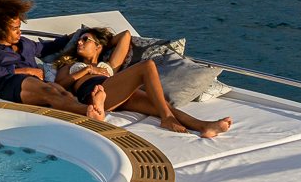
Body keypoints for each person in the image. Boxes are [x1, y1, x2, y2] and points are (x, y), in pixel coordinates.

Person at [52, 26, 233, 137]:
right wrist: (87, 70)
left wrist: (103, 43)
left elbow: (126, 36)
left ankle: (205, 126)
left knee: (162, 104)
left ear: (98, 46)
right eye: (79, 40)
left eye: (85, 40)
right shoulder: (71, 65)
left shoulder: (109, 65)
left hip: (117, 94)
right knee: (147, 66)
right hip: (93, 92)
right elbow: (59, 86)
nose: (79, 43)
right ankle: (166, 118)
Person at [0, 0, 96, 117]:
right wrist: (26, 70)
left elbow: (48, 47)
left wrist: (74, 36)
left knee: (62, 93)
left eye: (19, 27)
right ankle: (89, 112)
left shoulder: (25, 43)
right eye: (15, 29)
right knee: (49, 91)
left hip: (36, 82)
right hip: (11, 84)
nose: (19, 32)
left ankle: (91, 110)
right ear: (1, 29)